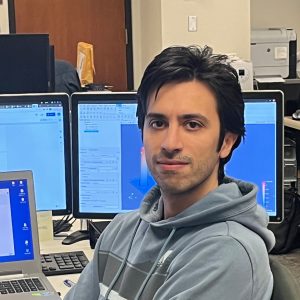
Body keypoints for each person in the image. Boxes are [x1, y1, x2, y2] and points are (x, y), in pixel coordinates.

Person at [64, 45, 275, 300]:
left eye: (192, 124)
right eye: (158, 123)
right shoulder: (122, 229)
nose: (170, 143)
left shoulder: (229, 253)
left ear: (227, 142)